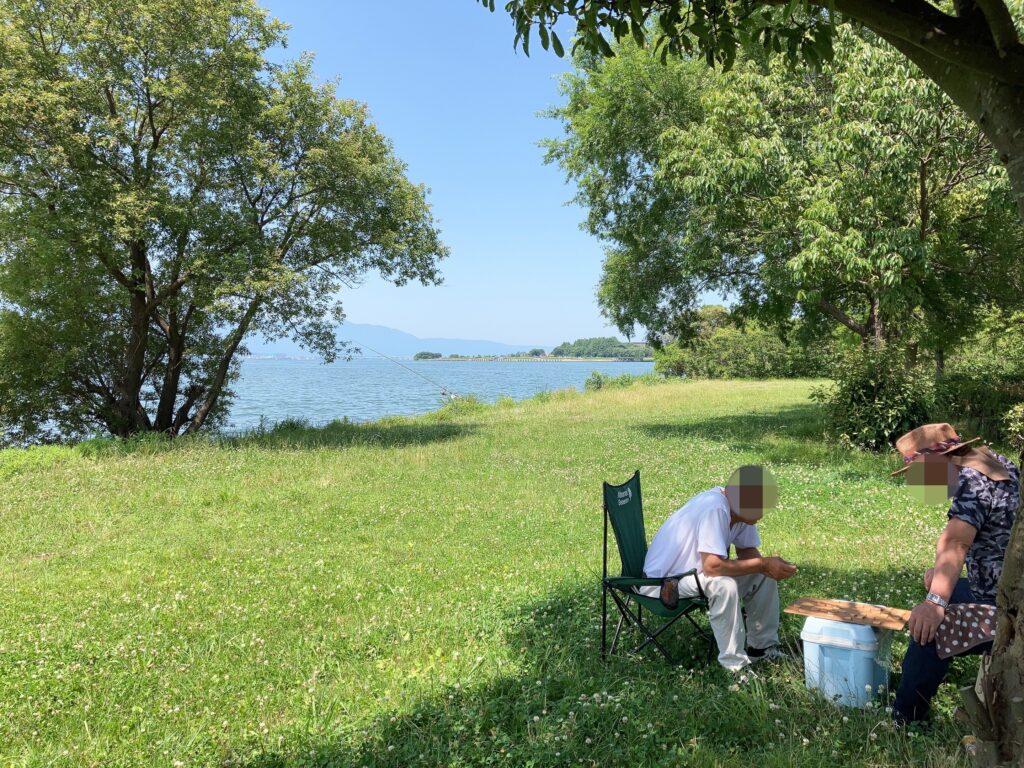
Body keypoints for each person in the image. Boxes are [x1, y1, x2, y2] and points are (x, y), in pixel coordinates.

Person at [891, 423, 1020, 724]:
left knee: (929, 628)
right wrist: (939, 575)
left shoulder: (971, 482)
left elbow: (956, 540)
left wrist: (935, 603)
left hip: (1007, 607)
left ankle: (906, 719)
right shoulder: (999, 463)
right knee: (939, 596)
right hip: (1006, 586)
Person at [640, 465, 797, 671]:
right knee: (723, 585)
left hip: (693, 576)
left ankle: (763, 649)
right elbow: (712, 566)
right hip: (660, 584)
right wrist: (763, 563)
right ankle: (734, 667)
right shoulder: (716, 507)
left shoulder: (741, 512)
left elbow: (748, 552)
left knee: (762, 575)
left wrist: (769, 567)